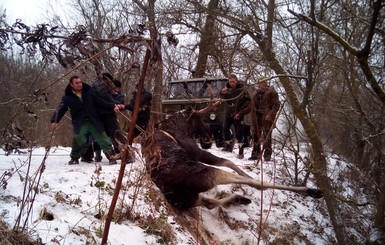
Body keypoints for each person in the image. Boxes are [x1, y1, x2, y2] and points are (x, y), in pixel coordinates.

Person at [50, 75, 123, 165]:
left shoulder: (89, 91)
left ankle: (111, 157)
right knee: (79, 139)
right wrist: (54, 121)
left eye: (80, 82)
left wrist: (112, 106)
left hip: (94, 120)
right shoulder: (67, 97)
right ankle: (74, 157)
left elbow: (99, 100)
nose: (79, 84)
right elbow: (61, 109)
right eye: (76, 83)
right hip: (80, 122)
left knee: (103, 138)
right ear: (71, 84)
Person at [81, 78, 126, 163]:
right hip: (106, 115)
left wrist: (117, 105)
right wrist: (115, 105)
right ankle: (124, 155)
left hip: (100, 116)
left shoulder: (97, 88)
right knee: (116, 134)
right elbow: (105, 101)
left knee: (102, 137)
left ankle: (86, 155)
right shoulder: (102, 89)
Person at [235, 80, 280, 161]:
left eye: (262, 82)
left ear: (266, 83)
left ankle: (267, 156)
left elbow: (276, 105)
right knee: (255, 136)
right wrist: (240, 114)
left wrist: (270, 114)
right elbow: (251, 107)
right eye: (259, 83)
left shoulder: (272, 92)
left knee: (267, 137)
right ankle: (255, 154)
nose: (260, 84)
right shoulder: (256, 93)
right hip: (256, 118)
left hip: (267, 119)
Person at [219, 74, 251, 152]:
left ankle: (241, 151)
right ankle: (228, 146)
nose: (232, 83)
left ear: (236, 81)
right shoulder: (227, 89)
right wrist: (222, 93)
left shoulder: (242, 89)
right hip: (228, 113)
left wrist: (240, 112)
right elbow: (222, 99)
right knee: (225, 129)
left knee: (239, 133)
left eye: (233, 81)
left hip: (238, 114)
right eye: (230, 82)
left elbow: (248, 101)